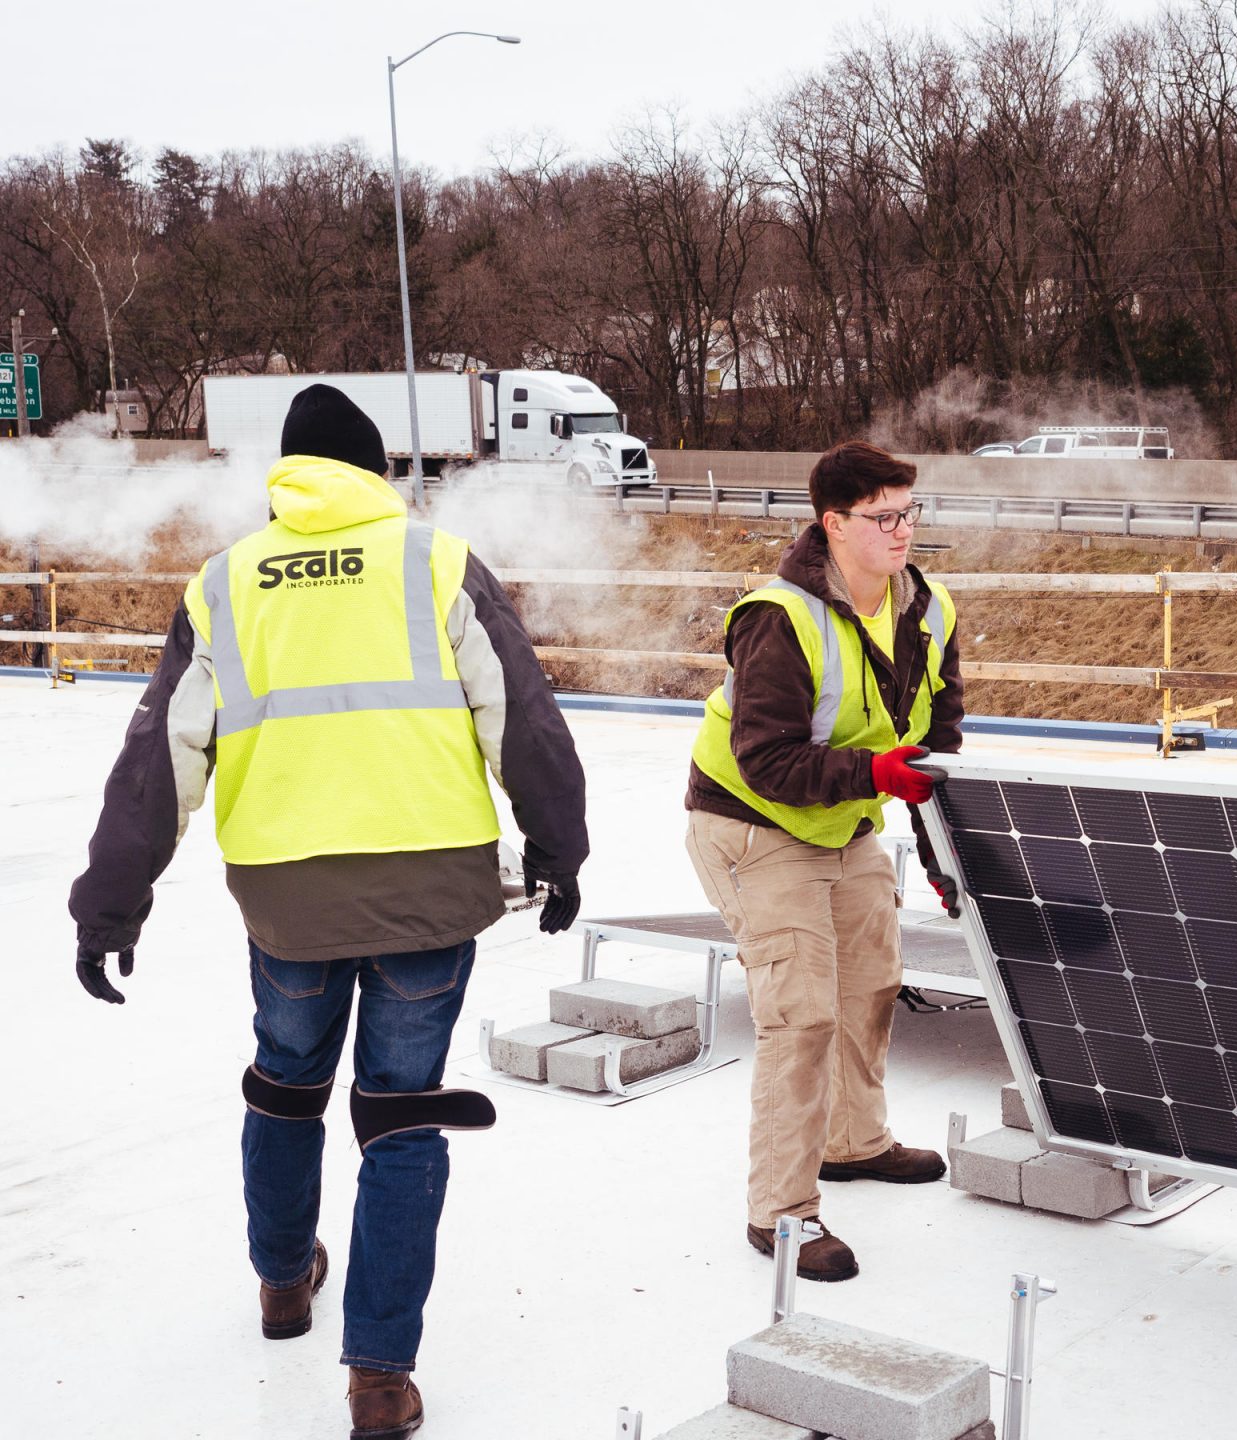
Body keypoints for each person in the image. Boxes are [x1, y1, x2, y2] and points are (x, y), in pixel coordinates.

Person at [68, 384, 589, 1440]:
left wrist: (109, 905)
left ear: (287, 476)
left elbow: (159, 762)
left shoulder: (225, 583)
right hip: (429, 897)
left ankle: (280, 1281)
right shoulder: (436, 561)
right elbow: (523, 719)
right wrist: (557, 848)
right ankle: (381, 1380)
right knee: (402, 1115)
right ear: (377, 471)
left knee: (286, 1083)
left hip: (287, 902)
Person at [685, 438, 964, 1283]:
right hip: (753, 827)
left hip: (844, 824)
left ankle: (853, 1143)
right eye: (883, 517)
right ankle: (782, 1212)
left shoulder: (929, 610)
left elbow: (933, 748)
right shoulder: (781, 616)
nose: (902, 530)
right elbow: (766, 759)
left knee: (870, 984)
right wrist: (875, 774)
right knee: (801, 1015)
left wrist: (945, 856)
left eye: (909, 511)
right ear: (832, 523)